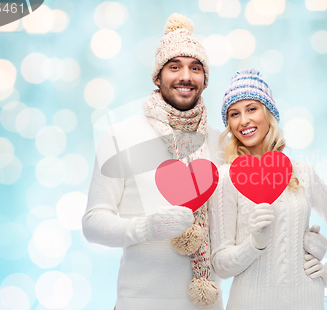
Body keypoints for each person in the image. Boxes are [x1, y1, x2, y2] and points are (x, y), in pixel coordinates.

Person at [82, 13, 224, 310]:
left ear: (204, 80)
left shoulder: (220, 143)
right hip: (140, 303)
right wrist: (146, 228)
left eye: (195, 68)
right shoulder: (121, 136)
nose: (186, 76)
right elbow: (93, 223)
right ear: (157, 76)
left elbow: (238, 225)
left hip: (206, 304)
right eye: (175, 67)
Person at [208, 68, 327, 309]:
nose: (243, 120)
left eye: (252, 109)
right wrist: (255, 243)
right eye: (234, 114)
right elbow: (220, 265)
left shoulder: (303, 173)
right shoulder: (227, 178)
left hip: (306, 301)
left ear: (268, 114)